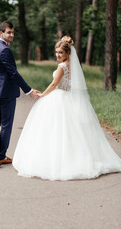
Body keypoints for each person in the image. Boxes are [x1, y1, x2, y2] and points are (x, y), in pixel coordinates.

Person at [12, 36, 121, 181]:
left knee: (56, 130)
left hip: (59, 97)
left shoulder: (62, 66)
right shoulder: (71, 65)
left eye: (60, 53)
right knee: (71, 131)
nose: (58, 55)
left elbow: (53, 84)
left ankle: (58, 162)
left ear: (67, 53)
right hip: (69, 98)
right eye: (56, 52)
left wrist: (42, 95)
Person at [0, 21, 39, 167]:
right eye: (8, 32)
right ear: (1, 33)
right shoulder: (4, 50)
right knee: (6, 124)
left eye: (13, 32)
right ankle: (1, 156)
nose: (11, 35)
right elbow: (13, 73)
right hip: (5, 92)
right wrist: (29, 90)